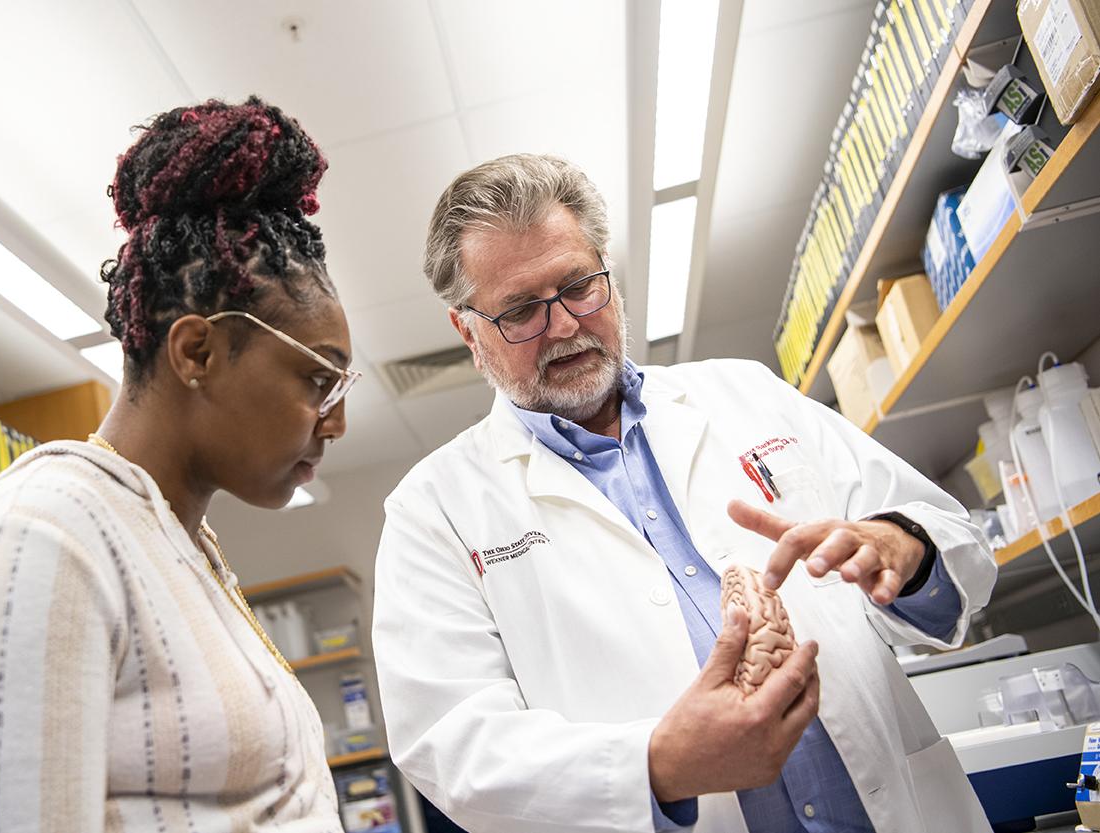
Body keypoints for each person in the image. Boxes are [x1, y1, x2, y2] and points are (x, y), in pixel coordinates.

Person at [370, 153, 996, 832]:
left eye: (578, 285)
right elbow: (452, 746)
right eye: (520, 309)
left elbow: (951, 538)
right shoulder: (433, 510)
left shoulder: (744, 392)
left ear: (606, 268)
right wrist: (654, 763)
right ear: (468, 331)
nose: (563, 324)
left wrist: (906, 546)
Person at [0, 97, 359, 832]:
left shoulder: (174, 537)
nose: (336, 423)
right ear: (197, 352)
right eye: (319, 381)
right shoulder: (41, 533)